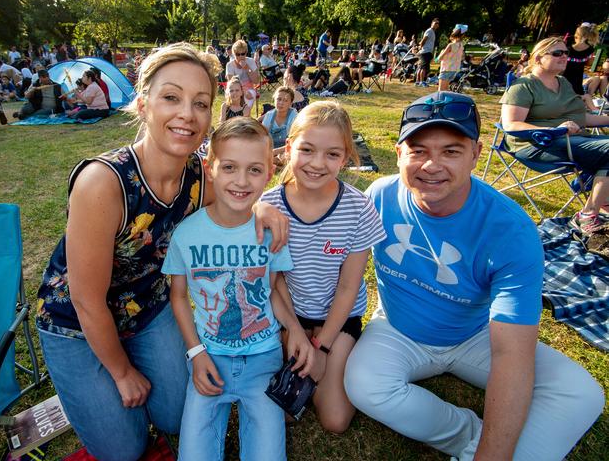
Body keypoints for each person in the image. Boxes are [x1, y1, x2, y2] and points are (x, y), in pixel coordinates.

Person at [36, 43, 288, 461]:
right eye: (171, 97)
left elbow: (238, 193)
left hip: (148, 310)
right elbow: (84, 299)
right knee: (124, 448)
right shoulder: (103, 182)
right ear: (142, 103)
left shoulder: (197, 174)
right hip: (77, 322)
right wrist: (120, 372)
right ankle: (90, 384)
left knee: (173, 417)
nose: (187, 114)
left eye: (201, 103)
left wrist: (263, 205)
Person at [344, 90, 605, 460]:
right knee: (363, 384)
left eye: (451, 151)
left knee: (580, 392)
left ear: (476, 154)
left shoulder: (510, 229)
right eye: (418, 150)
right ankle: (468, 433)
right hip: (398, 327)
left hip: (476, 334)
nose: (432, 165)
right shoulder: (380, 196)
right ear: (399, 154)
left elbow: (511, 352)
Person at [163, 117, 311, 461]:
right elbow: (178, 296)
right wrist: (195, 354)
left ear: (270, 172)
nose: (241, 181)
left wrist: (296, 331)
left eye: (254, 170)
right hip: (209, 358)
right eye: (229, 167)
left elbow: (274, 289)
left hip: (262, 359)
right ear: (210, 169)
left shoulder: (271, 232)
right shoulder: (186, 234)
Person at [261, 101, 386, 433]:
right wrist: (299, 335)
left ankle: (341, 360)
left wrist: (323, 346)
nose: (317, 163)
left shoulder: (359, 208)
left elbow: (348, 287)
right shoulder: (271, 207)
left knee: (334, 420)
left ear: (346, 158)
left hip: (340, 320)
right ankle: (309, 363)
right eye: (307, 150)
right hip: (293, 315)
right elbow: (275, 283)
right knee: (284, 411)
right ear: (288, 149)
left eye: (332, 154)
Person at [500, 36, 609, 235]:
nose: (564, 57)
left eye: (566, 53)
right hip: (536, 144)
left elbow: (581, 118)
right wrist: (554, 130)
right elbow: (511, 124)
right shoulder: (523, 86)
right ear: (538, 58)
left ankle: (599, 200)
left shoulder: (563, 83)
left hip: (572, 140)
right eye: (557, 53)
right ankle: (588, 213)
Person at [225, 40, 259, 116]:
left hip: (249, 88)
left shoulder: (251, 61)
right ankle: (234, 116)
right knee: (235, 96)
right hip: (234, 88)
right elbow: (231, 82)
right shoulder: (229, 65)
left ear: (246, 53)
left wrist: (247, 68)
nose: (240, 56)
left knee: (248, 98)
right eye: (238, 54)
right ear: (234, 54)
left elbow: (256, 81)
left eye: (243, 54)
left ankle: (244, 117)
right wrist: (243, 91)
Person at [562, 23, 598, 95]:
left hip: (563, 77)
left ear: (576, 36)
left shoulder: (568, 47)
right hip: (577, 81)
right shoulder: (590, 50)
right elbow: (589, 63)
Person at [261, 86, 297, 154]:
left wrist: (274, 152)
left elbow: (294, 142)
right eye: (279, 99)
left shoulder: (294, 116)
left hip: (288, 151)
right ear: (274, 99)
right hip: (270, 150)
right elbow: (262, 137)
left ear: (291, 103)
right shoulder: (269, 115)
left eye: (285, 100)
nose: (281, 103)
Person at [417, 18, 439, 86]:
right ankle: (421, 82)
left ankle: (418, 82)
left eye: (437, 24)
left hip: (427, 52)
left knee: (421, 67)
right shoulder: (429, 31)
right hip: (425, 52)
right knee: (424, 68)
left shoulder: (433, 32)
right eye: (435, 23)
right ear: (432, 24)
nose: (436, 25)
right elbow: (424, 40)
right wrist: (421, 46)